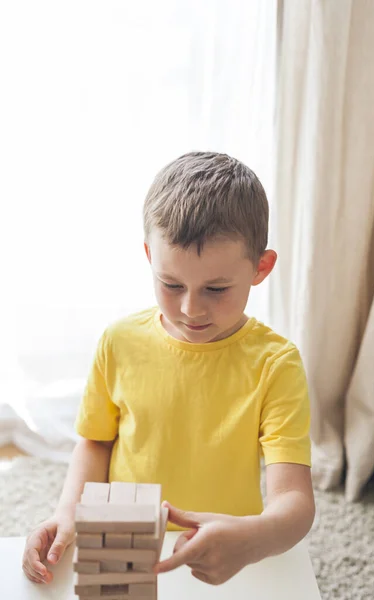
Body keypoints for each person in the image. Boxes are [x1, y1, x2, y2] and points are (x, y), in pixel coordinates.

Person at [22, 151, 315, 586]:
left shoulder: (276, 363)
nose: (190, 309)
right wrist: (68, 511)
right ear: (149, 256)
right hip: (123, 547)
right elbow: (95, 443)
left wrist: (254, 539)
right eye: (171, 284)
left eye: (216, 289)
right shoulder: (118, 342)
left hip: (227, 553)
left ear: (261, 268)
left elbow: (293, 499)